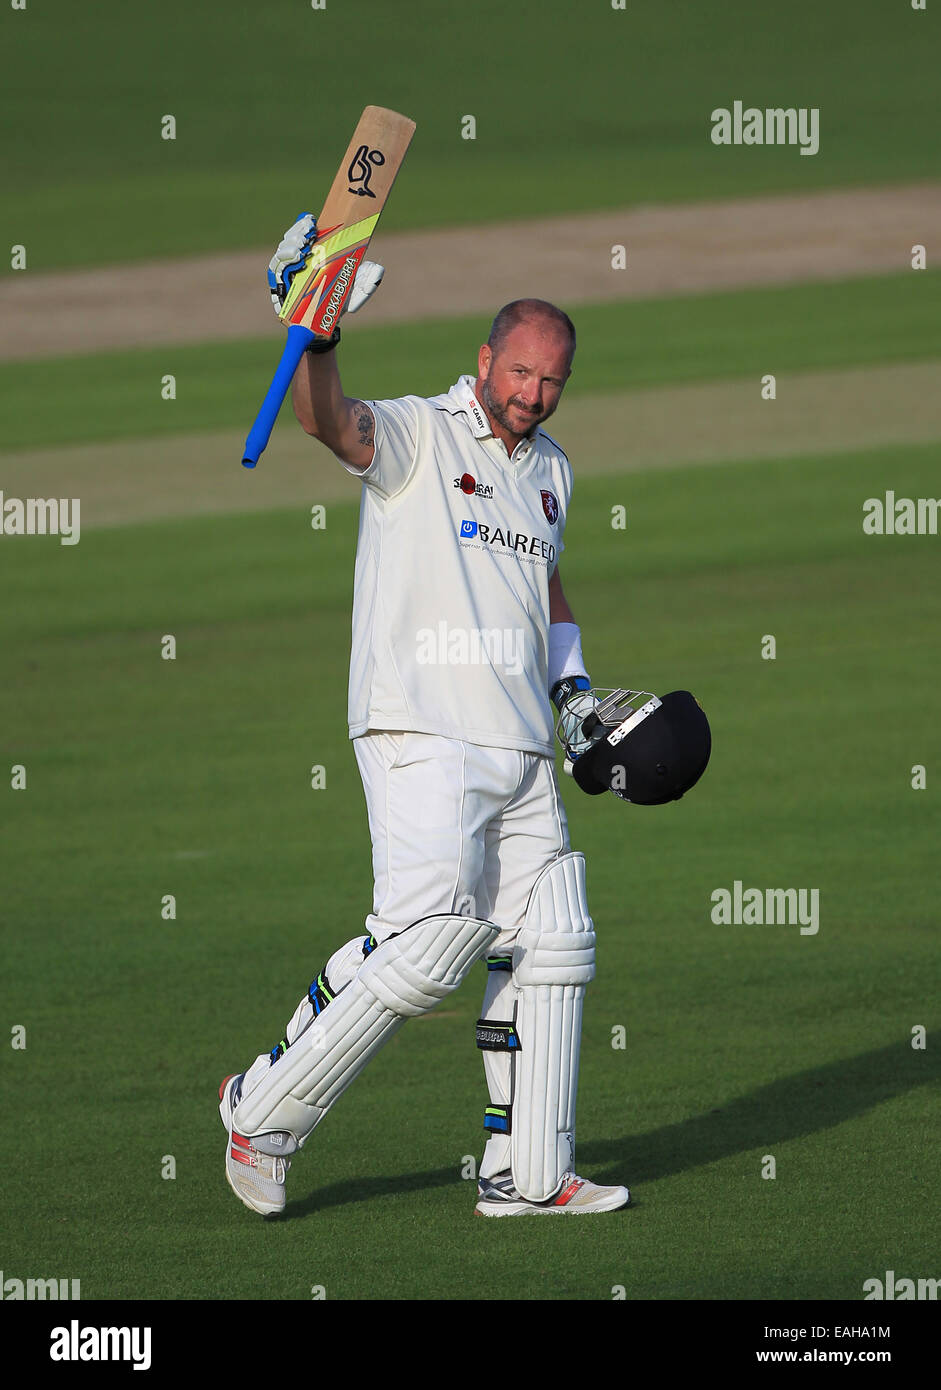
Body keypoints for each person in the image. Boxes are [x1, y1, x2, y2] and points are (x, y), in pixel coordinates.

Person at [218, 215, 631, 1218]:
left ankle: (527, 1173)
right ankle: (261, 1110)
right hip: (419, 728)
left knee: (553, 934)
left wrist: (572, 693)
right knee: (427, 937)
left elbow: (543, 587)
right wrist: (317, 335)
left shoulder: (552, 473)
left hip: (520, 743)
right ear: (484, 358)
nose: (532, 395)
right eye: (520, 372)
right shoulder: (417, 433)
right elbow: (330, 423)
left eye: (551, 382)